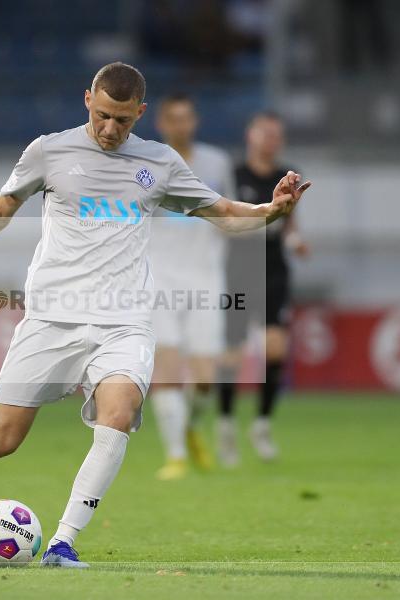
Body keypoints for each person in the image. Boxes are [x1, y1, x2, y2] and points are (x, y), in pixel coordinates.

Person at [0, 63, 311, 568]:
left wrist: (269, 210)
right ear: (86, 101)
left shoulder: (159, 164)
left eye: (122, 120)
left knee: (117, 414)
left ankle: (63, 541)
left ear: (140, 113)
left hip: (124, 323)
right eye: (101, 116)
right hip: (52, 318)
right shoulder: (48, 151)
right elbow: (2, 207)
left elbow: (223, 213)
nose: (109, 129)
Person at [148, 93, 235, 480]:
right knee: (165, 369)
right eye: (173, 119)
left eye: (186, 118)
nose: (180, 125)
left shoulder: (217, 163)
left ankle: (189, 424)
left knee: (204, 379)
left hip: (206, 279)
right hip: (158, 278)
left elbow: (229, 214)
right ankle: (176, 455)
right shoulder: (145, 165)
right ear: (161, 124)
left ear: (194, 122)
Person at [217, 111, 310, 465]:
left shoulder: (286, 174)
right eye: (266, 133)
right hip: (239, 270)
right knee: (232, 354)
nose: (272, 140)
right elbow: (221, 219)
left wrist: (296, 241)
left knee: (275, 350)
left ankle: (261, 425)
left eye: (277, 135)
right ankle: (226, 426)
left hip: (274, 270)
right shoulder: (233, 174)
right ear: (250, 135)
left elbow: (290, 225)